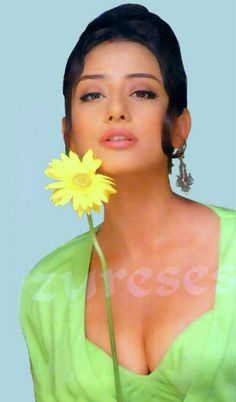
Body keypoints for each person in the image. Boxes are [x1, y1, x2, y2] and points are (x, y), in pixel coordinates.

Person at [20, 3, 236, 401]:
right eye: (92, 94)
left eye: (142, 92)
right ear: (68, 133)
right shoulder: (45, 288)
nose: (116, 111)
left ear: (179, 126)